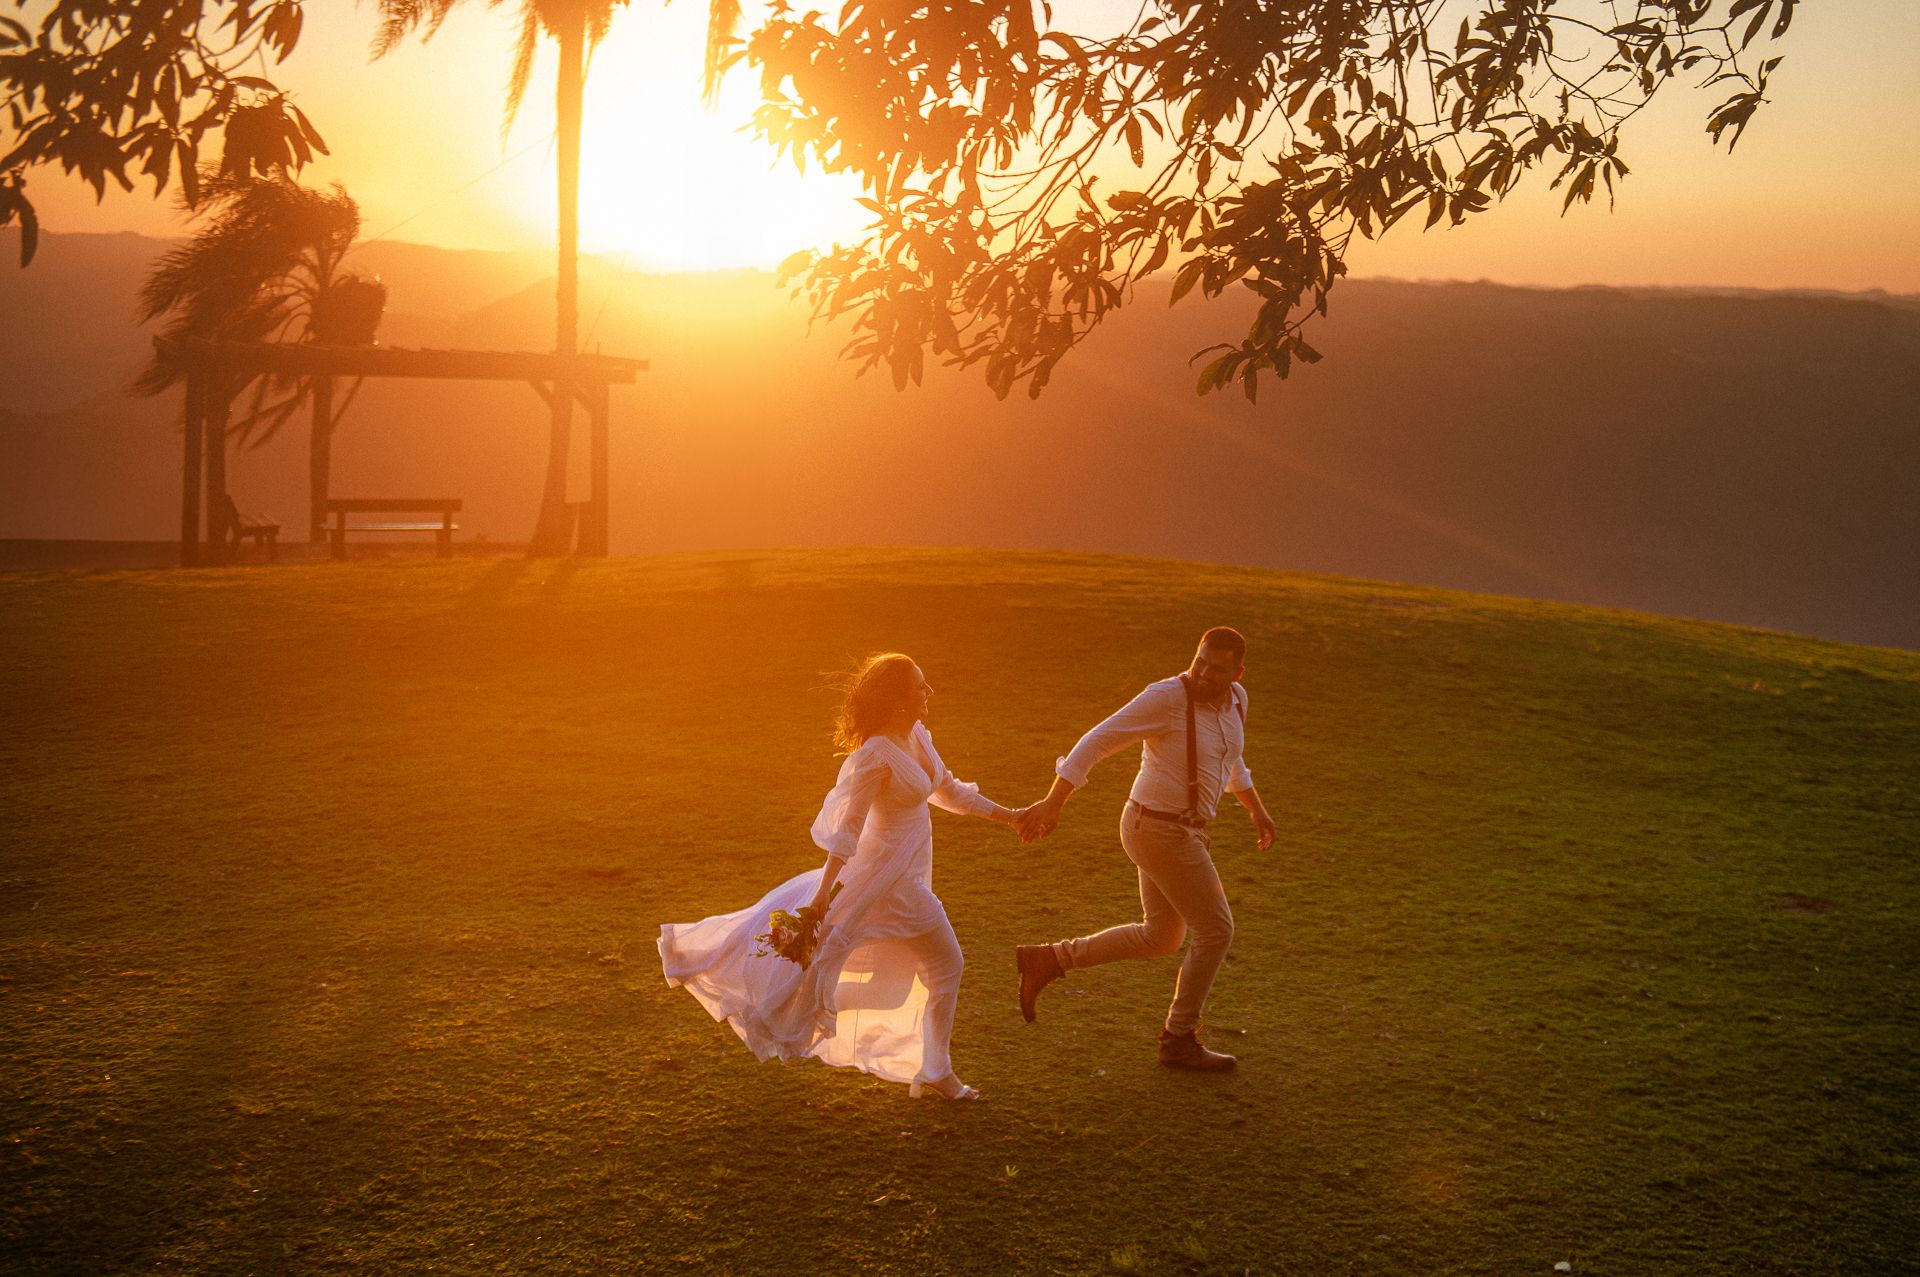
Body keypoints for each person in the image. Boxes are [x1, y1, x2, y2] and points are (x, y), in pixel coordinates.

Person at [658, 653, 1022, 1100]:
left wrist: (1012, 818)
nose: (929, 693)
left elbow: (948, 790)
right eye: (919, 687)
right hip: (890, 883)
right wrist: (823, 893)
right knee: (947, 964)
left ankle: (809, 1003)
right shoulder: (875, 756)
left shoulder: (919, 737)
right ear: (896, 700)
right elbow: (847, 832)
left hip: (909, 871)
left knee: (900, 986)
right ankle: (932, 1069)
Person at [1013, 627, 1276, 1071]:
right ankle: (1178, 1038)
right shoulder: (1168, 698)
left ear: (1238, 674)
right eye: (1200, 662)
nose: (1205, 674)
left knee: (1162, 937)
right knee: (1216, 932)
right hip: (1157, 829)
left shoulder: (1237, 702)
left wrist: (1257, 810)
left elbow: (1231, 760)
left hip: (1170, 830)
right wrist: (1054, 802)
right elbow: (1097, 739)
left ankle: (1048, 959)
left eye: (1217, 669)